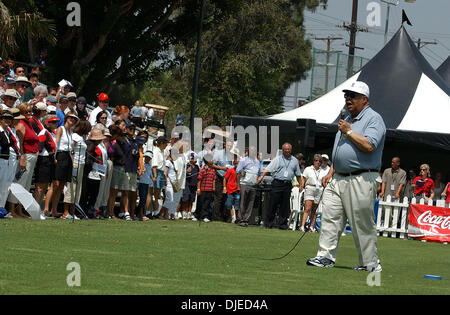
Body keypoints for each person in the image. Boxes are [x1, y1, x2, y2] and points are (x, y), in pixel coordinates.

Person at [306, 81, 385, 272]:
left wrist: (349, 131)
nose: (347, 99)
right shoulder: (347, 119)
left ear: (364, 99)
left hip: (361, 177)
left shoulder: (374, 119)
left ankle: (370, 263)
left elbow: (369, 146)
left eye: (352, 95)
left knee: (361, 223)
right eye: (346, 95)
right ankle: (325, 257)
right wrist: (332, 171)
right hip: (338, 177)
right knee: (330, 218)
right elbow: (341, 150)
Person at [257, 142, 302, 230]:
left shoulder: (294, 161)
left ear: (291, 150)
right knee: (273, 204)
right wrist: (261, 177)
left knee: (285, 206)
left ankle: (283, 224)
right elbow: (268, 169)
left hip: (288, 184)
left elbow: (298, 174)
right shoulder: (277, 159)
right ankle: (269, 223)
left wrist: (301, 184)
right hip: (277, 183)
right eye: (285, 150)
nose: (287, 151)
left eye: (288, 150)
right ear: (283, 150)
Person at [9, 103, 39, 218]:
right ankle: (12, 210)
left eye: (30, 111)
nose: (29, 113)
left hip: (32, 157)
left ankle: (20, 210)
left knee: (25, 186)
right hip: (25, 156)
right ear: (21, 113)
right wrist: (22, 158)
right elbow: (20, 144)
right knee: (19, 184)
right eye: (26, 112)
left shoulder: (29, 124)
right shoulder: (21, 125)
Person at [49, 111, 79, 218]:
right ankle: (46, 209)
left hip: (67, 157)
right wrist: (55, 156)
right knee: (55, 184)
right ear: (66, 118)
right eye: (70, 118)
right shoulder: (60, 129)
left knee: (61, 185)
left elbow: (70, 148)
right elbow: (56, 143)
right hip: (60, 155)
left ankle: (54, 210)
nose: (72, 120)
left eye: (74, 119)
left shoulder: (70, 132)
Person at [62, 120, 90, 219]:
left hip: (81, 164)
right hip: (75, 164)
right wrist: (72, 163)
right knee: (71, 187)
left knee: (77, 188)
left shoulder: (81, 137)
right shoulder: (75, 136)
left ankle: (72, 211)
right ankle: (66, 212)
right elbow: (71, 150)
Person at [79, 129, 106, 218]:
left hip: (88, 172)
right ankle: (86, 212)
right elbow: (88, 160)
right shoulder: (91, 145)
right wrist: (94, 161)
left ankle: (86, 211)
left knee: (86, 194)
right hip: (89, 173)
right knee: (90, 194)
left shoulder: (88, 143)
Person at [34, 115, 59, 211]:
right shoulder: (44, 132)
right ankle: (35, 210)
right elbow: (38, 148)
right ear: (46, 123)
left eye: (56, 122)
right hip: (43, 160)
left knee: (44, 187)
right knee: (40, 187)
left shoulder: (52, 133)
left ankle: (38, 209)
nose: (55, 124)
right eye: (52, 122)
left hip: (49, 160)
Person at [235, 145, 260, 226]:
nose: (253, 152)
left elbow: (258, 174)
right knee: (242, 203)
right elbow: (238, 172)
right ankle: (241, 219)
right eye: (251, 150)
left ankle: (246, 220)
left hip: (253, 185)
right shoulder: (243, 160)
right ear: (248, 151)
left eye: (254, 150)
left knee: (250, 204)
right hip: (244, 184)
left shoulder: (257, 161)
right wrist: (238, 186)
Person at [211, 139, 234, 222]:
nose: (229, 147)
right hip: (220, 177)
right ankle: (216, 217)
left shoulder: (232, 155)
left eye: (231, 146)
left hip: (229, 179)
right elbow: (212, 164)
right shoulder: (218, 153)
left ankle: (225, 216)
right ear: (225, 145)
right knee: (218, 198)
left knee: (227, 199)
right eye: (228, 145)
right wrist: (222, 168)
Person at [300, 154, 324, 232]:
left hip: (318, 189)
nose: (318, 162)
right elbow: (303, 178)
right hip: (310, 187)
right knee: (307, 208)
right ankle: (302, 226)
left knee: (314, 209)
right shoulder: (308, 169)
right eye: (316, 161)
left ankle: (311, 226)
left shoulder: (322, 171)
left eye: (320, 161)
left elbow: (323, 181)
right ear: (314, 161)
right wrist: (301, 186)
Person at [151, 136, 170, 217]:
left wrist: (164, 177)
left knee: (158, 194)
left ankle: (156, 211)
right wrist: (155, 176)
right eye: (165, 143)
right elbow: (154, 165)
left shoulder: (162, 151)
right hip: (157, 173)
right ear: (161, 143)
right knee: (155, 194)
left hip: (161, 173)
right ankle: (154, 211)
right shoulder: (156, 151)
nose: (166, 145)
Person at [195, 154, 216, 222]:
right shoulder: (203, 169)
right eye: (211, 160)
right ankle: (197, 216)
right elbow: (199, 180)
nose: (212, 161)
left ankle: (205, 216)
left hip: (209, 190)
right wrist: (198, 189)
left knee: (207, 204)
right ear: (207, 161)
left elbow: (213, 179)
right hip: (203, 189)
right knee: (200, 203)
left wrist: (213, 187)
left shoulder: (213, 170)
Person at [181, 152, 200, 220]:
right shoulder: (187, 165)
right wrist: (186, 171)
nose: (196, 160)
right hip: (187, 185)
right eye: (194, 158)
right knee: (186, 198)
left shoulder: (197, 167)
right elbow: (182, 174)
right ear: (190, 159)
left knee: (192, 199)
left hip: (194, 185)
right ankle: (184, 212)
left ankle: (189, 212)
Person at [136, 151, 153, 221]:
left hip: (146, 183)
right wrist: (141, 171)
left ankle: (141, 214)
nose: (147, 159)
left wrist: (152, 179)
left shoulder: (149, 165)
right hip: (141, 183)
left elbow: (150, 174)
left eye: (149, 158)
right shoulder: (141, 164)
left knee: (144, 199)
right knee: (142, 199)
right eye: (146, 157)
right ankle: (140, 214)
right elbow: (138, 172)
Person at [224, 157, 240, 225]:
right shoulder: (230, 170)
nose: (237, 165)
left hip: (237, 191)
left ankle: (237, 218)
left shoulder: (240, 171)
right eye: (235, 164)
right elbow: (225, 178)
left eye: (238, 164)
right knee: (229, 204)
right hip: (230, 190)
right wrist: (224, 187)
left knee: (237, 205)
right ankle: (233, 217)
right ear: (233, 164)